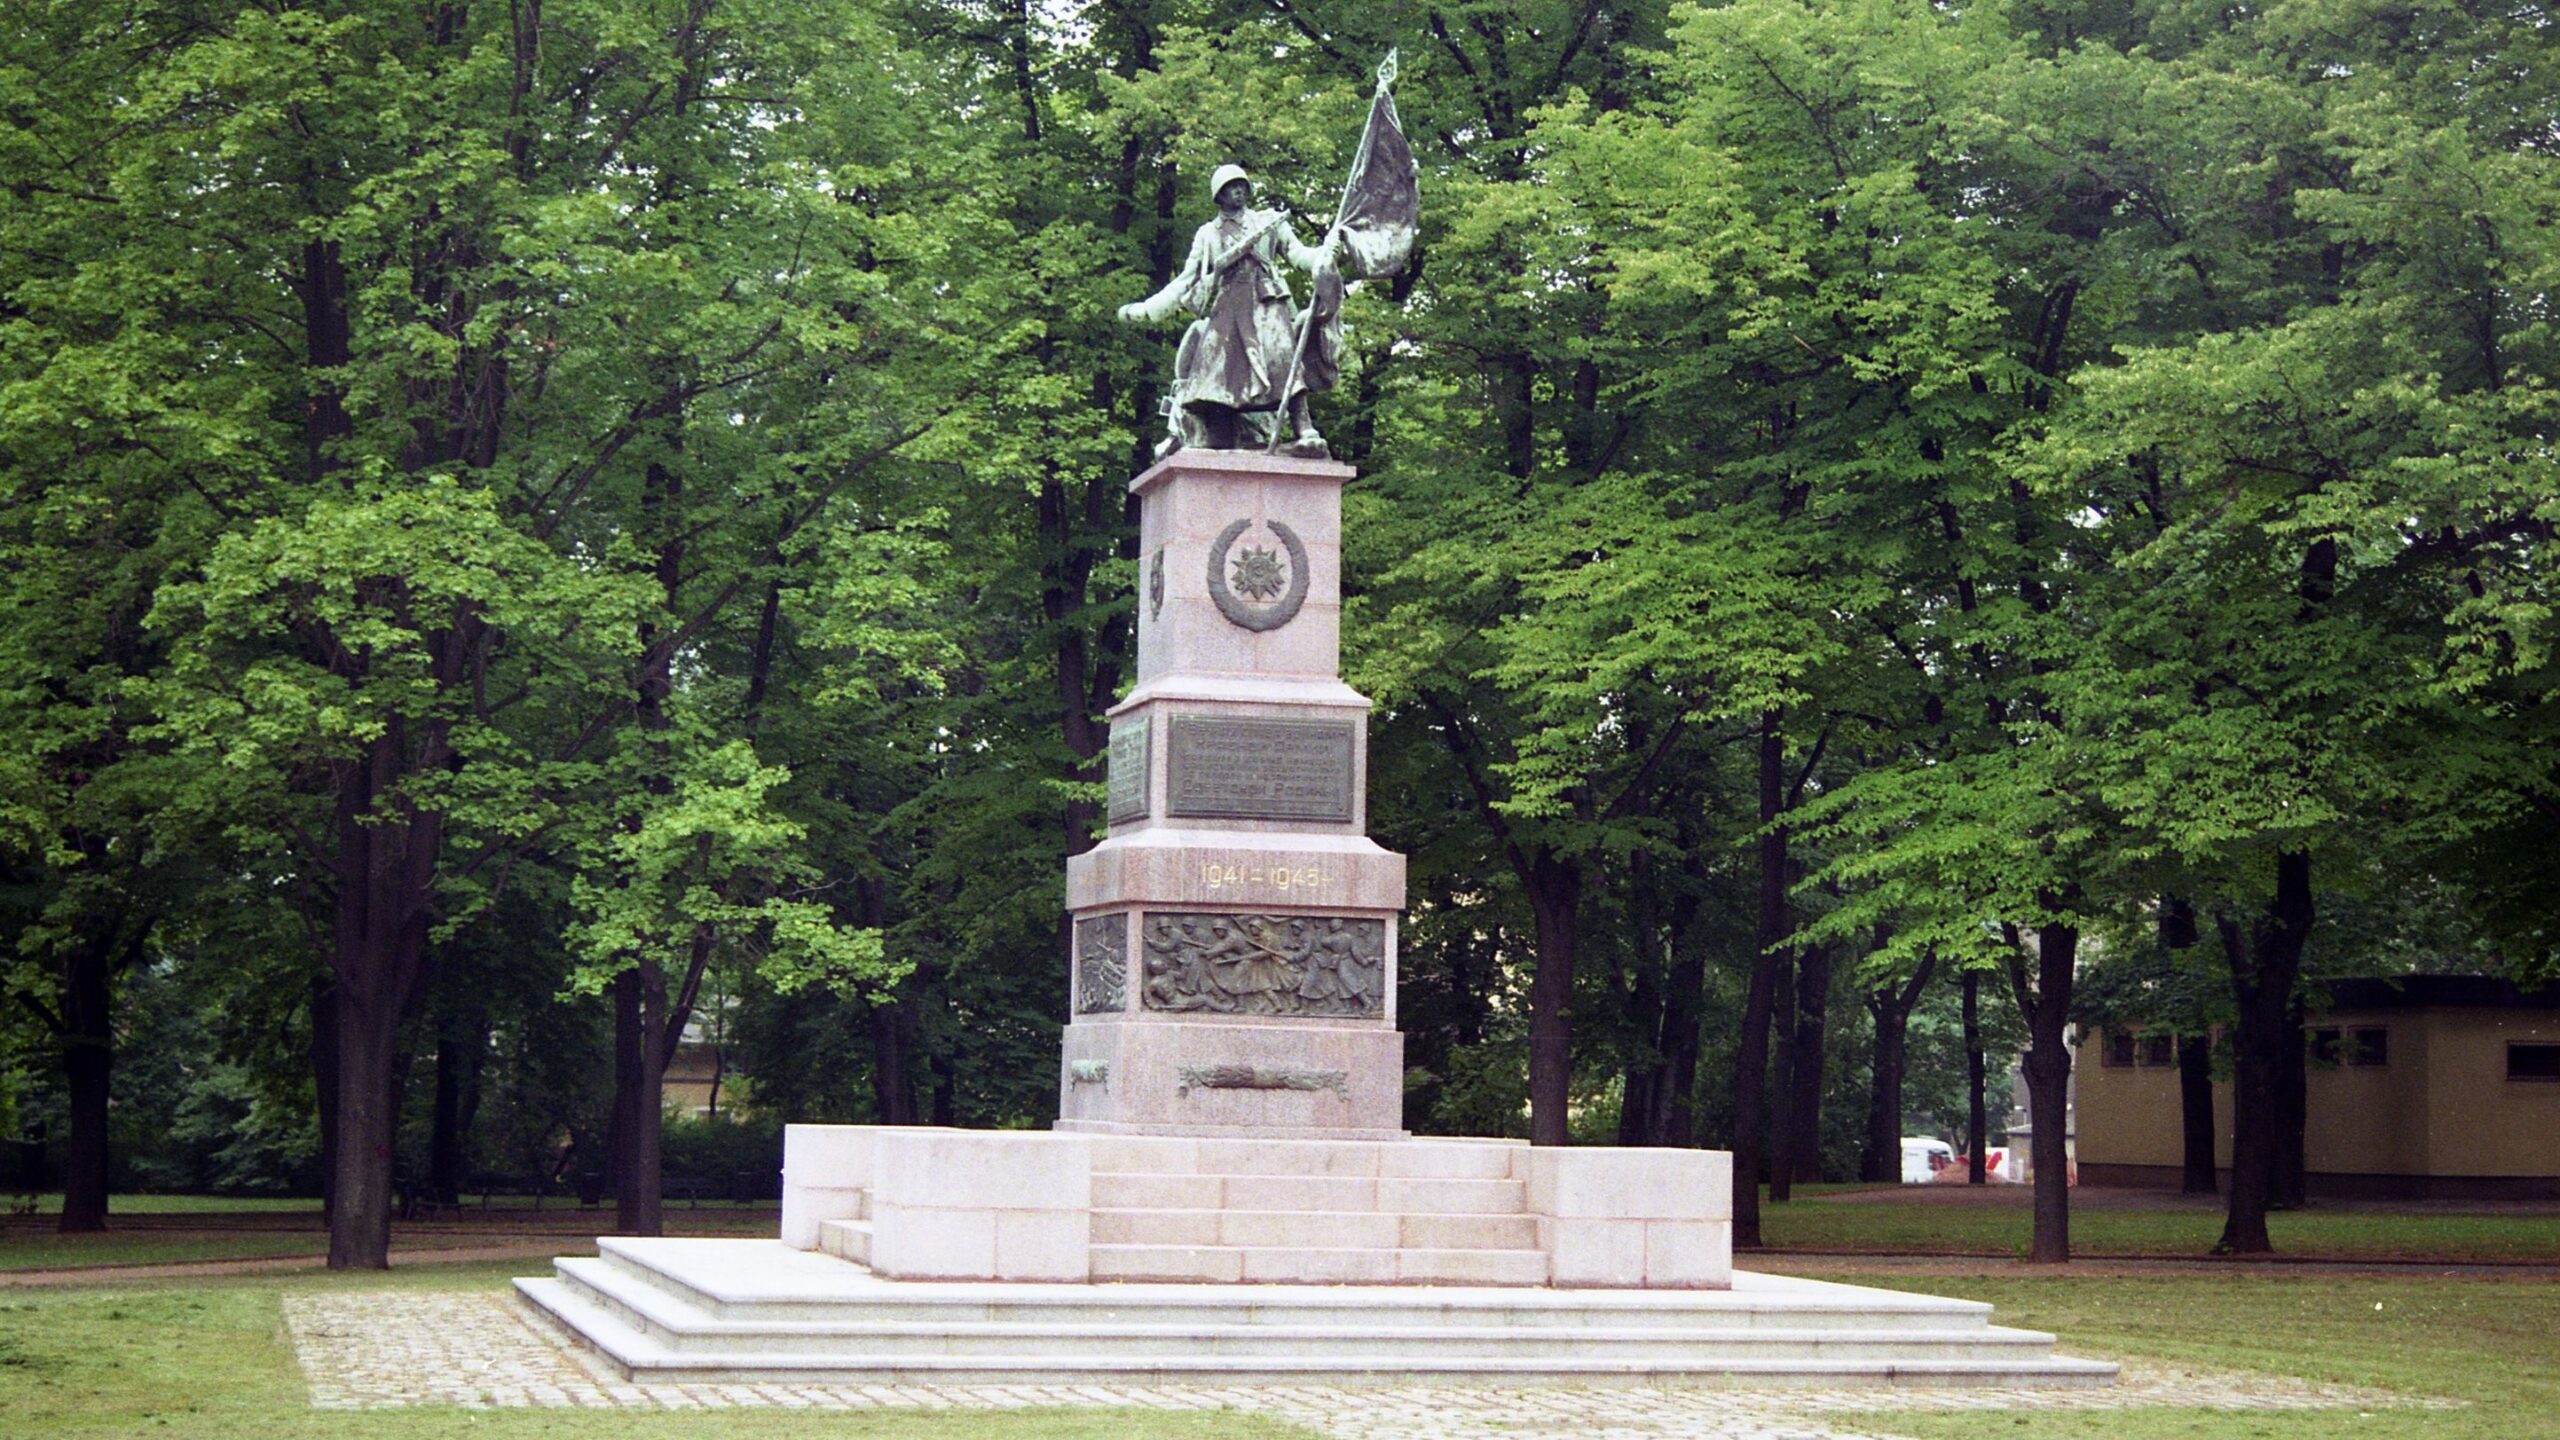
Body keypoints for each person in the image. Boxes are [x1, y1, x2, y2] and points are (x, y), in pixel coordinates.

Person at [1117, 165, 1342, 458]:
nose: (1239, 191)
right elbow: (1186, 281)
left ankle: (1304, 428)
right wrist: (1147, 310)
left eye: (1242, 185)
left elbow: (1301, 255)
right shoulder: (1208, 234)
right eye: (1231, 187)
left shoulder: (1269, 221)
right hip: (1228, 308)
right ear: (1219, 195)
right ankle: (1218, 436)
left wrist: (1326, 252)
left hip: (1267, 302)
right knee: (1216, 375)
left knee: (1283, 361)